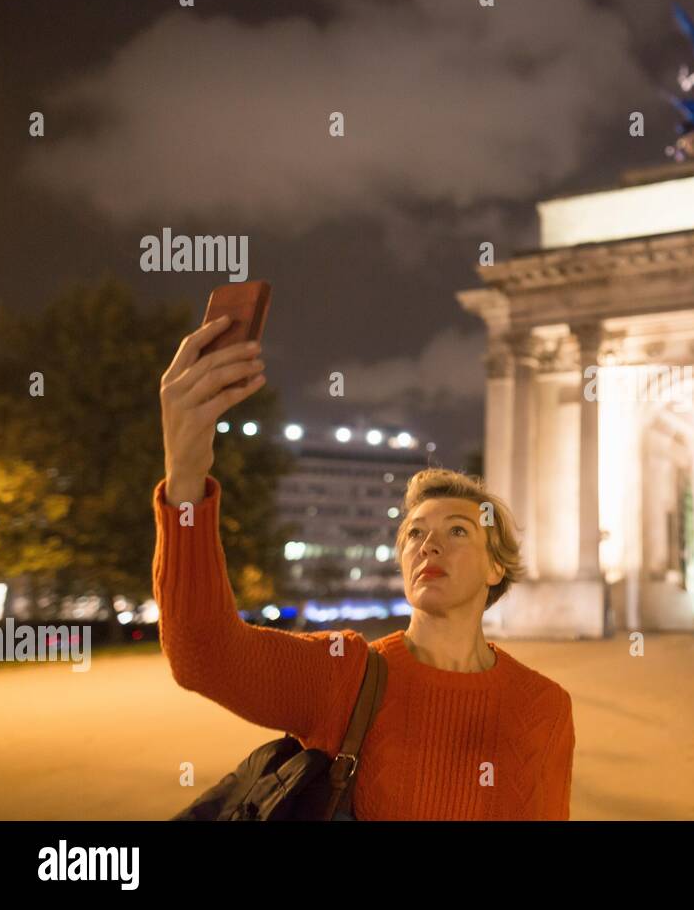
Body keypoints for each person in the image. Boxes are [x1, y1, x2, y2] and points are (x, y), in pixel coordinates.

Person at [153, 315, 574, 819]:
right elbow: (203, 651)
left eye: (457, 530)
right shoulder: (345, 674)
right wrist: (186, 474)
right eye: (415, 532)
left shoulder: (543, 706)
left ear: (495, 569)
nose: (428, 545)